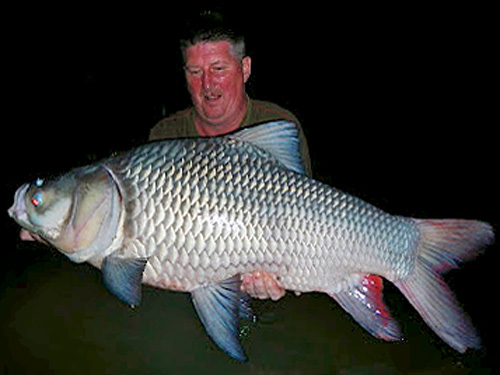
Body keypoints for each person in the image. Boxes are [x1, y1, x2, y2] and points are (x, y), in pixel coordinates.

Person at [150, 12, 312, 301]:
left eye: (218, 69)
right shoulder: (166, 136)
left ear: (245, 68)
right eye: (195, 72)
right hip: (191, 281)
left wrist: (284, 276)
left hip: (262, 272)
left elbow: (306, 221)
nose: (208, 84)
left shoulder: (277, 124)